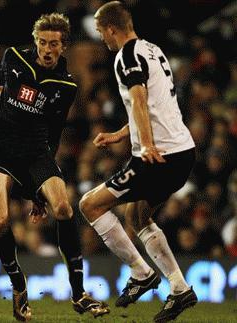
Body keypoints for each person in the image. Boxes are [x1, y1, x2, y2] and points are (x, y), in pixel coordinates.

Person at [0, 13, 110, 321]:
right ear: (35, 41)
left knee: (64, 209)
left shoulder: (66, 85)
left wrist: (39, 185)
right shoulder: (13, 57)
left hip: (36, 153)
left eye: (53, 44)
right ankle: (19, 289)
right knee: (0, 222)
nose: (46, 49)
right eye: (42, 42)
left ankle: (79, 293)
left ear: (63, 46)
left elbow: (55, 130)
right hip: (0, 149)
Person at [79, 2, 197, 322]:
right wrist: (121, 134)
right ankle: (179, 288)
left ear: (111, 29)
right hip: (182, 152)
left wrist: (145, 145)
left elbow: (141, 100)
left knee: (90, 205)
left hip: (159, 156)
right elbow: (154, 104)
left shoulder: (125, 56)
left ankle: (142, 274)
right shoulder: (151, 49)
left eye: (102, 32)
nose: (102, 38)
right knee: (137, 214)